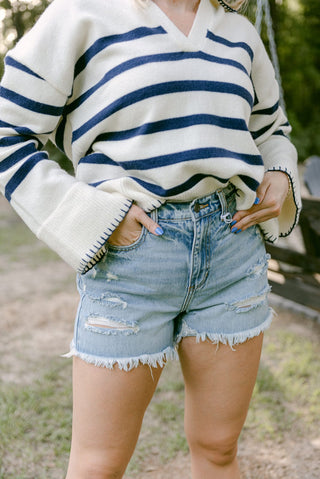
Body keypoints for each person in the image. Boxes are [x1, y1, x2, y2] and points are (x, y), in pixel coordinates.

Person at [0, 0, 301, 477]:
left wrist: (281, 173)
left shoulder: (238, 31)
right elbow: (7, 132)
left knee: (220, 448)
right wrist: (97, 217)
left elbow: (270, 131)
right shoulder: (81, 14)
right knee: (99, 465)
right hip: (132, 260)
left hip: (233, 252)